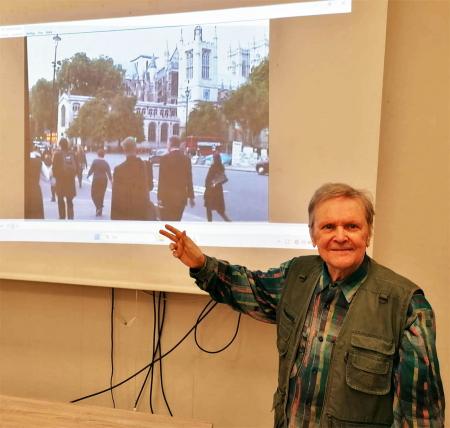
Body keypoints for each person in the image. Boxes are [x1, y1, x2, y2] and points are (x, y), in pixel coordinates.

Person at [159, 183, 445, 427]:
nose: (340, 236)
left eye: (352, 226)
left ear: (367, 233)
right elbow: (250, 288)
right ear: (313, 235)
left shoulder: (406, 306)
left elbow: (419, 415)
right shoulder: (296, 275)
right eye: (328, 226)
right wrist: (201, 264)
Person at [111, 137, 154, 220]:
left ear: (124, 150)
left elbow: (116, 197)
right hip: (142, 211)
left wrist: (114, 218)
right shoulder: (146, 166)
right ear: (135, 148)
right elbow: (150, 187)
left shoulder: (119, 169)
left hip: (125, 213)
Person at [157, 136, 195, 221]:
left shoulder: (164, 159)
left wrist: (159, 198)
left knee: (166, 222)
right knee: (177, 221)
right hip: (181, 199)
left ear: (170, 144)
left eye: (167, 144)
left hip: (167, 198)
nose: (167, 146)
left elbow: (161, 180)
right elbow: (189, 180)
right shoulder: (186, 160)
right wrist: (191, 197)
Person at [52, 137, 78, 220]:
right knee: (69, 200)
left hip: (60, 181)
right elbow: (77, 167)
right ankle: (71, 216)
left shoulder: (57, 154)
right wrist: (72, 175)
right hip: (70, 181)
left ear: (60, 145)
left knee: (60, 199)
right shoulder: (72, 154)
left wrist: (56, 177)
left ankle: (62, 216)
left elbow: (54, 168)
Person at [204, 152, 231, 222]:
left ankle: (210, 223)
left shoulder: (212, 167)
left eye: (213, 158)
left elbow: (208, 179)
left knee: (208, 209)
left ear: (214, 159)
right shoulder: (221, 167)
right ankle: (229, 222)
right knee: (220, 210)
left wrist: (208, 185)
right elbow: (223, 179)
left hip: (211, 190)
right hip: (218, 191)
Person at [25, 144, 49, 219]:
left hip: (24, 190)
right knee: (37, 215)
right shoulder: (39, 161)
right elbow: (47, 177)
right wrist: (39, 175)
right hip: (35, 190)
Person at [87, 148, 112, 217]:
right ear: (104, 155)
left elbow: (91, 170)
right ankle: (99, 211)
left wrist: (88, 175)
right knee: (101, 195)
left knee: (93, 194)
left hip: (96, 179)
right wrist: (111, 181)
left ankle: (98, 207)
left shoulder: (95, 161)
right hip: (104, 180)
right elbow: (109, 173)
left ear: (97, 154)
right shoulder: (106, 163)